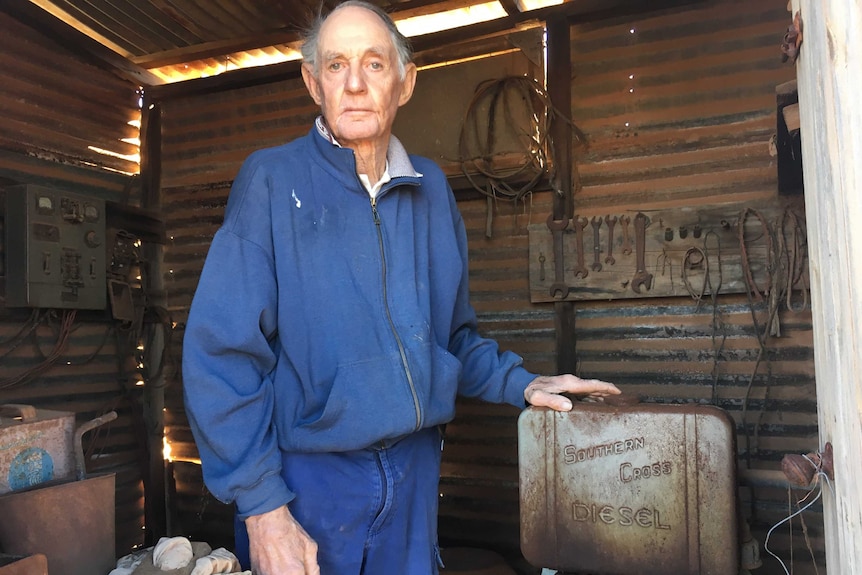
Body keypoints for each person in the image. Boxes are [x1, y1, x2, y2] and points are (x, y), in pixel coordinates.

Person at [181, 2, 621, 574]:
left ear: (405, 83)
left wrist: (522, 382)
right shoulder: (271, 181)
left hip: (414, 475)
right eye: (336, 66)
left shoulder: (430, 189)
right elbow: (221, 358)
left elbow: (452, 338)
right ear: (313, 84)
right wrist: (263, 507)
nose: (356, 84)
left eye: (374, 64)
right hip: (310, 483)